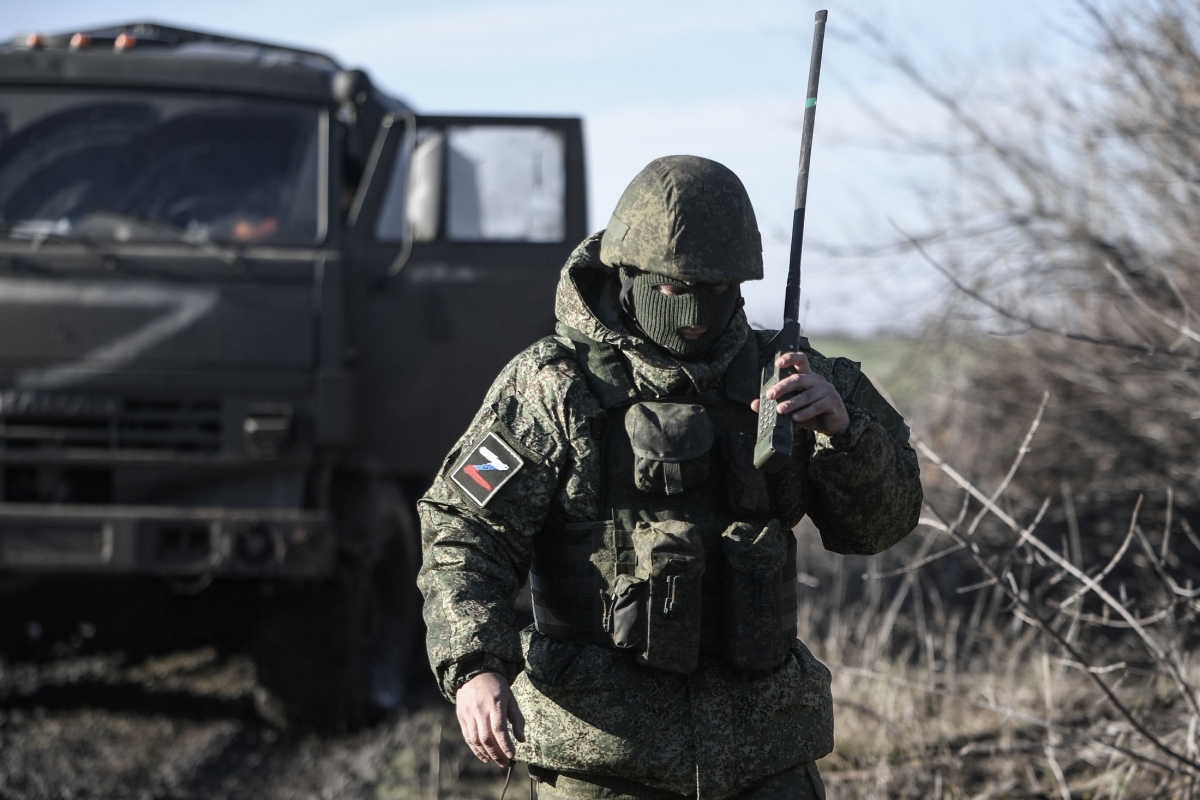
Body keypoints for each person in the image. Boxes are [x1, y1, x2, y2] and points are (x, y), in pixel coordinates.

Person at [418, 155, 922, 800]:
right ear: (627, 275)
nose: (696, 314)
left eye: (717, 290)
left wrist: (846, 435)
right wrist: (475, 667)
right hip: (603, 757)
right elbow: (464, 530)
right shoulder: (550, 387)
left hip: (766, 752)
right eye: (674, 290)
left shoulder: (798, 379)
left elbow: (881, 528)